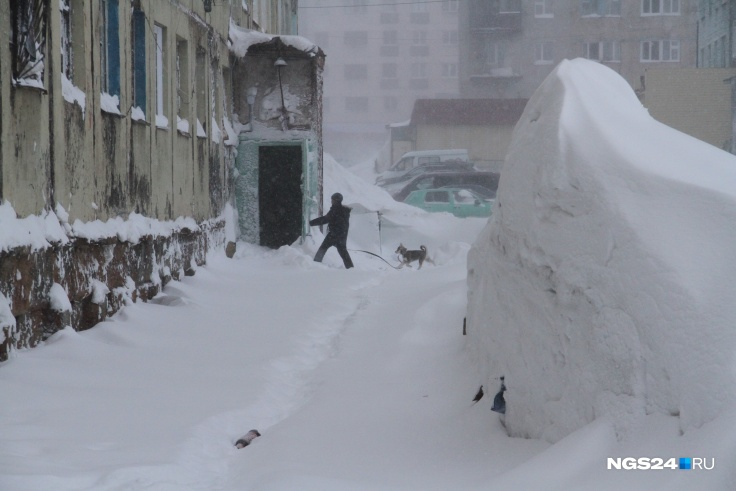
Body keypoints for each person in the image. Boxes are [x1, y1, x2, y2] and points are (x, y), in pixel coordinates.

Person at [309, 192, 354, 269]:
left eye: (332, 199)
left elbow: (325, 219)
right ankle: (350, 268)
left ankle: (315, 264)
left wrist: (311, 223)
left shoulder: (335, 210)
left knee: (323, 248)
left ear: (336, 200)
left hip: (334, 235)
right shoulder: (344, 211)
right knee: (343, 252)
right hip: (342, 235)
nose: (331, 201)